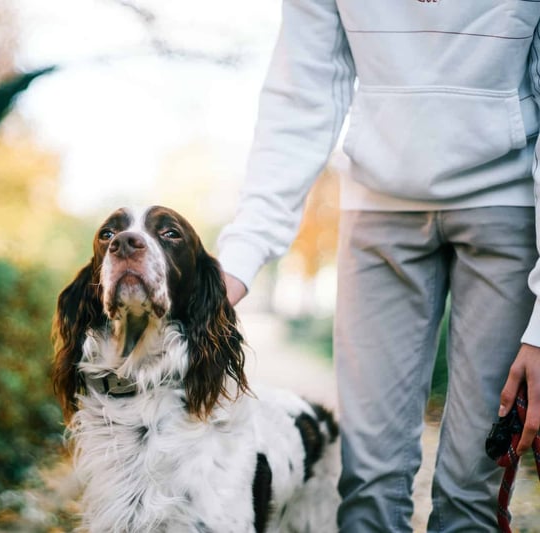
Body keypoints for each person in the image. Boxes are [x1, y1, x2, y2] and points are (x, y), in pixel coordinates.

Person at [216, 2, 540, 531]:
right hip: (376, 208)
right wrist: (241, 254)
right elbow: (303, 93)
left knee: (471, 491)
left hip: (508, 208)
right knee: (367, 484)